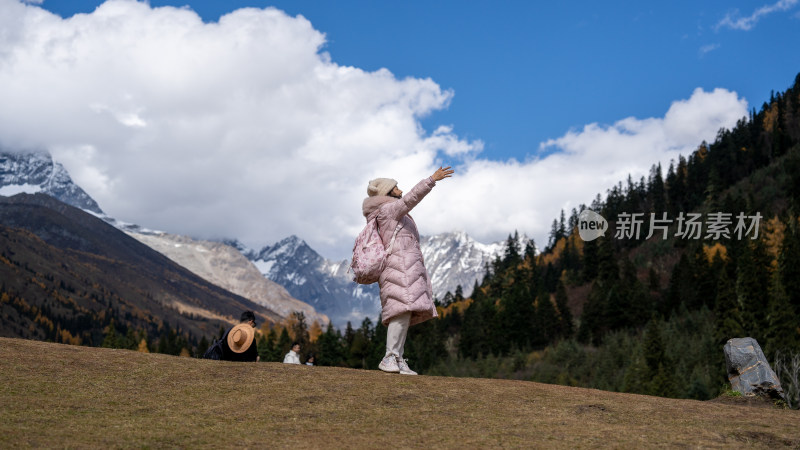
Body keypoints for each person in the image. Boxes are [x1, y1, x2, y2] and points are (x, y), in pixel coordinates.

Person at [362, 166, 454, 375]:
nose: (400, 190)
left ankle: (397, 358)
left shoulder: (388, 213)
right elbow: (410, 199)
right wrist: (431, 180)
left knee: (404, 311)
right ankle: (390, 357)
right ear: (387, 192)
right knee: (400, 311)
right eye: (395, 187)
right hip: (399, 267)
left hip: (402, 266)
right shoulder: (387, 210)